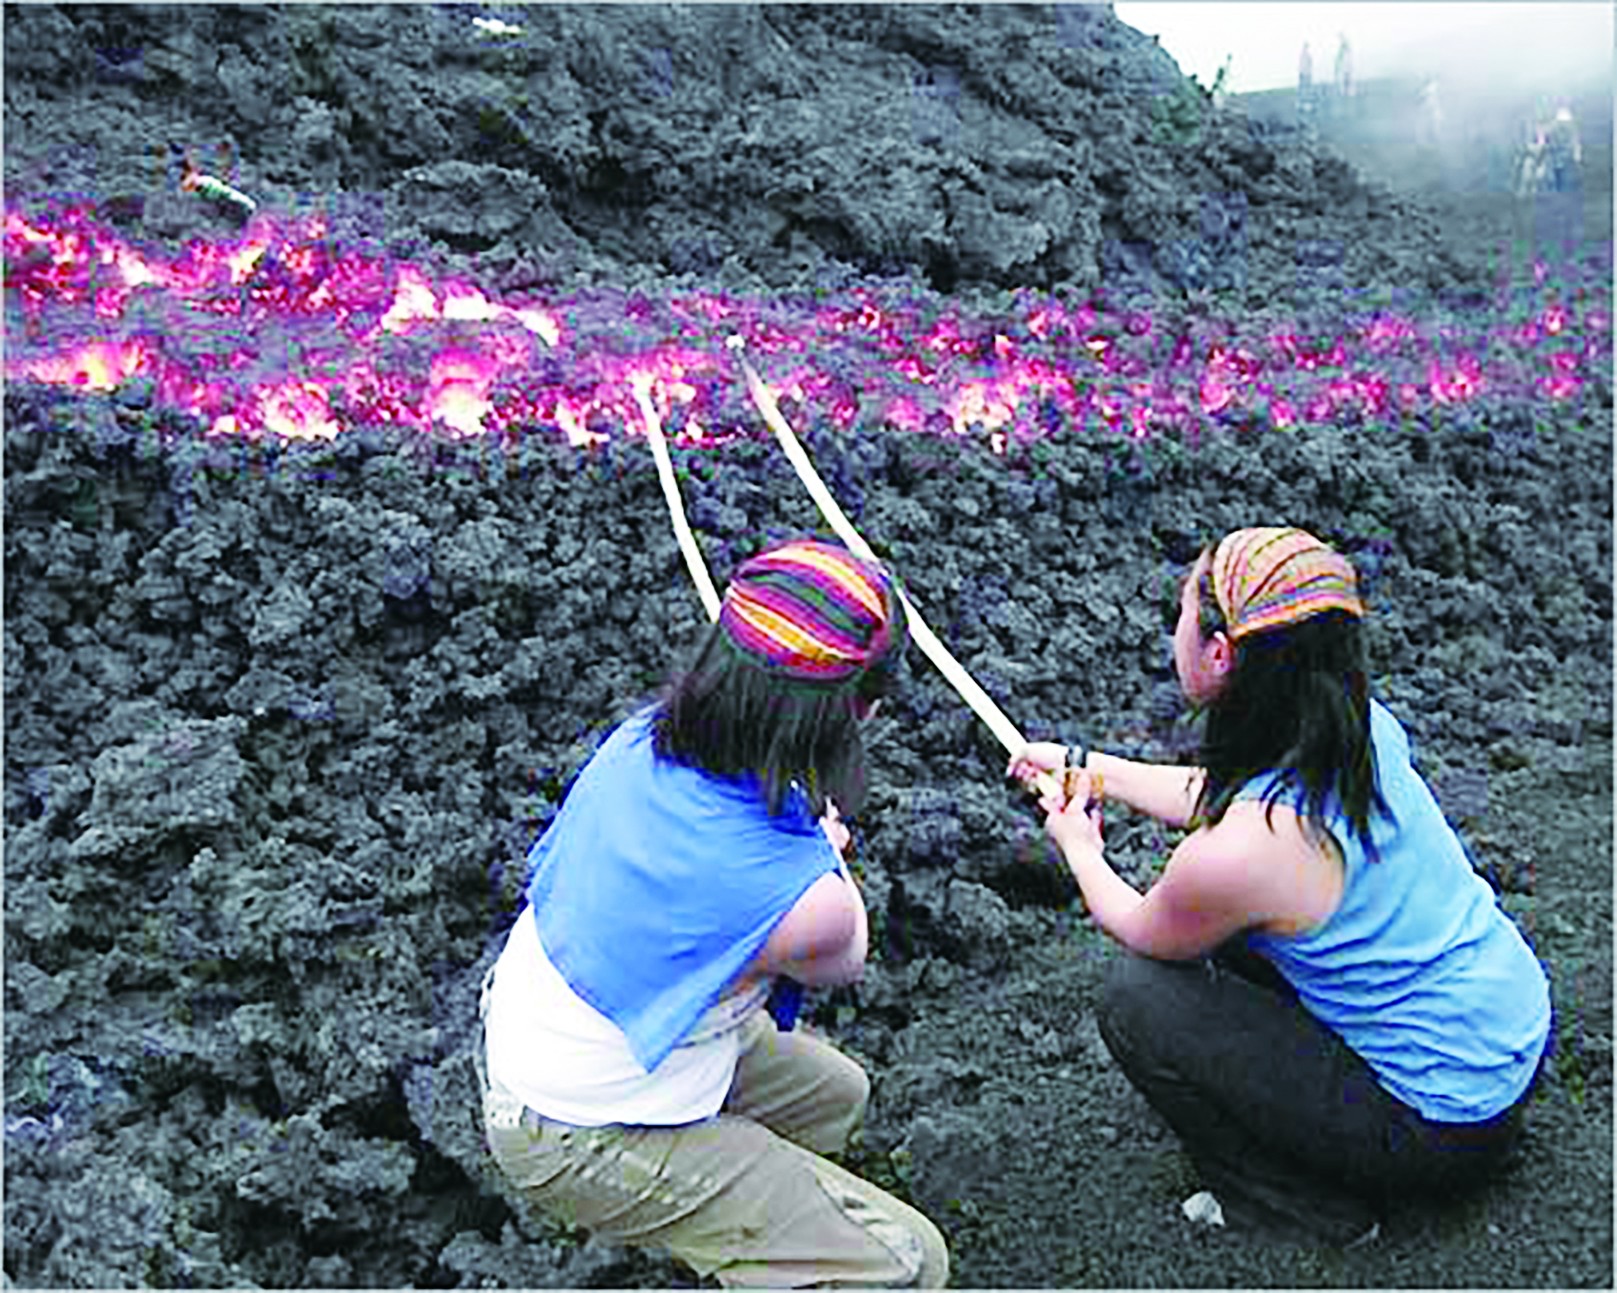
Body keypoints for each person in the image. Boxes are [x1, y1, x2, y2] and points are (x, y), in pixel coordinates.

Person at [1008, 527, 1552, 1246]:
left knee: (1140, 999)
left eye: (1181, 615)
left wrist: (1079, 848)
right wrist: (1090, 767)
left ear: (1219, 654)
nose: (1172, 628)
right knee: (1236, 944)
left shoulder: (1244, 853)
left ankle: (1297, 1208)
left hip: (1438, 1128)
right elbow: (1223, 794)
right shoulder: (1355, 726)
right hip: (1507, 1041)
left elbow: (1142, 926)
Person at [479, 539, 949, 1288]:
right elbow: (843, 948)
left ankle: (741, 1232)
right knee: (909, 1264)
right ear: (856, 709)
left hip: (549, 1032)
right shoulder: (806, 900)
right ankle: (728, 1222)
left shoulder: (640, 737)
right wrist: (823, 845)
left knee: (833, 1097)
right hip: (567, 1123)